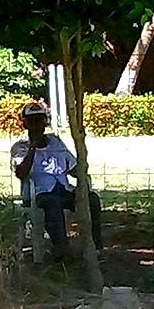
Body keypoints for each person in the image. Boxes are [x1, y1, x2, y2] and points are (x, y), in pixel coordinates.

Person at [11, 102, 103, 261]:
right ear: (24, 124)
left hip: (63, 189)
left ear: (45, 122)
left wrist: (82, 167)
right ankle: (62, 251)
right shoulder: (20, 147)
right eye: (32, 121)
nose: (37, 125)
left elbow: (73, 167)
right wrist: (32, 148)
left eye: (40, 120)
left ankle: (95, 247)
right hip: (39, 193)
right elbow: (21, 173)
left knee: (92, 199)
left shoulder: (55, 142)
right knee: (52, 203)